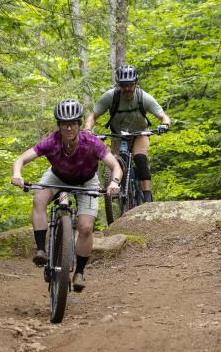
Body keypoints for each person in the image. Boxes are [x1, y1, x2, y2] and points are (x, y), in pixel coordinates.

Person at [11, 98, 122, 292]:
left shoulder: (92, 143)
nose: (69, 128)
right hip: (57, 176)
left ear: (79, 124)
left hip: (86, 181)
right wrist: (17, 174)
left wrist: (114, 182)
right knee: (39, 199)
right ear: (59, 125)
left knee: (86, 227)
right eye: (64, 124)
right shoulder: (51, 142)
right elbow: (21, 159)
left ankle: (79, 272)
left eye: (73, 123)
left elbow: (115, 166)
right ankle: (41, 250)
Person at [85, 65, 171, 204]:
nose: (126, 89)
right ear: (118, 85)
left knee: (140, 157)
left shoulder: (143, 97)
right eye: (123, 85)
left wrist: (165, 125)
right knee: (114, 161)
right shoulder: (110, 97)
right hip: (118, 135)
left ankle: (148, 199)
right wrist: (88, 130)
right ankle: (117, 193)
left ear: (136, 83)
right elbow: (93, 116)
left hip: (139, 133)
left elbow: (163, 116)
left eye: (130, 85)